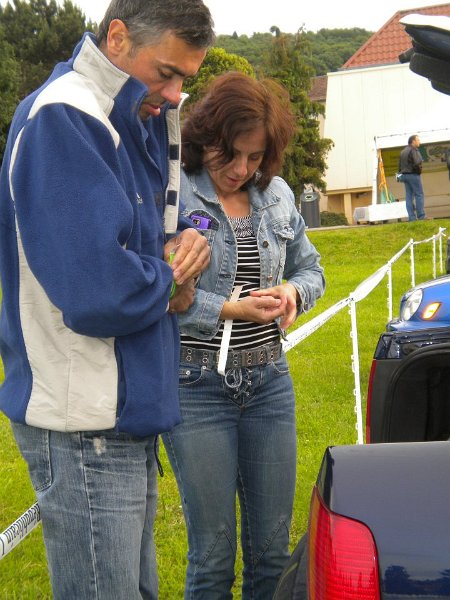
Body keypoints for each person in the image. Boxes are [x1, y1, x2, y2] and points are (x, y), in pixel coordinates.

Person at [0, 1, 214, 598]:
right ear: (117, 37)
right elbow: (98, 288)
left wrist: (187, 243)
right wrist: (171, 283)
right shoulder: (65, 118)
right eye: (166, 73)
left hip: (121, 409)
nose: (173, 95)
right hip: (84, 420)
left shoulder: (131, 117)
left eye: (184, 80)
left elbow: (148, 237)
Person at [163, 72, 325, 599]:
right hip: (195, 388)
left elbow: (312, 269)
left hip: (269, 385)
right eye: (229, 153)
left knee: (272, 555)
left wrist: (294, 293)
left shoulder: (276, 194)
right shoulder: (174, 191)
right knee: (212, 558)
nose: (241, 168)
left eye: (255, 157)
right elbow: (157, 294)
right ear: (206, 135)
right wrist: (230, 308)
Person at [399, 134, 426, 220]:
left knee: (409, 196)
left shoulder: (403, 151)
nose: (419, 142)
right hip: (413, 174)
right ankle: (421, 216)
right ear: (413, 141)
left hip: (404, 175)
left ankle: (411, 217)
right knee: (419, 194)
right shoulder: (414, 150)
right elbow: (417, 163)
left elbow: (399, 166)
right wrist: (419, 171)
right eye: (418, 140)